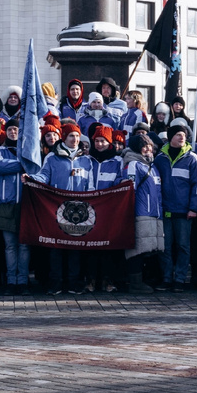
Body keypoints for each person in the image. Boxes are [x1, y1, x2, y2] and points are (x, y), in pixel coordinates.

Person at [29, 122, 94, 295]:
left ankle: (73, 283)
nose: (75, 139)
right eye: (72, 136)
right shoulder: (52, 157)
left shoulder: (86, 159)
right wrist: (32, 179)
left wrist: (91, 202)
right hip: (57, 209)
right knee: (56, 247)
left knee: (75, 247)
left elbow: (91, 185)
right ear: (64, 137)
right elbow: (44, 175)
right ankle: (55, 283)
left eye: (78, 136)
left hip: (79, 210)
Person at [153, 122, 197, 293]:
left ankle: (180, 279)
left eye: (184, 134)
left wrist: (193, 208)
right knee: (165, 247)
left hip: (184, 212)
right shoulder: (160, 159)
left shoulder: (192, 158)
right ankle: (167, 278)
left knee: (183, 246)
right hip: (165, 211)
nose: (182, 137)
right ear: (170, 138)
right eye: (178, 134)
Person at [0, 119, 29, 295]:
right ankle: (11, 280)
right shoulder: (0, 150)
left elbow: (35, 167)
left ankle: (23, 281)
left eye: (16, 129)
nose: (14, 132)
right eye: (11, 129)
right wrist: (22, 165)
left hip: (26, 203)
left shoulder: (28, 151)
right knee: (9, 246)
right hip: (6, 203)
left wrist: (21, 164)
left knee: (24, 246)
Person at [120, 134, 164, 293]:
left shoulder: (151, 166)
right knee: (136, 249)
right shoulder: (133, 164)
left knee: (147, 249)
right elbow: (129, 190)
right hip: (139, 212)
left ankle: (145, 279)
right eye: (144, 146)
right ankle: (135, 282)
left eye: (149, 146)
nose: (148, 149)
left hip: (153, 212)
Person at [87, 125, 125, 292]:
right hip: (90, 209)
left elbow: (121, 181)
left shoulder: (117, 161)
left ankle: (108, 280)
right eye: (97, 141)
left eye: (103, 141)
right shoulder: (87, 159)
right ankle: (91, 279)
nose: (99, 144)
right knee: (91, 247)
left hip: (110, 209)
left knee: (108, 247)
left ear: (109, 142)